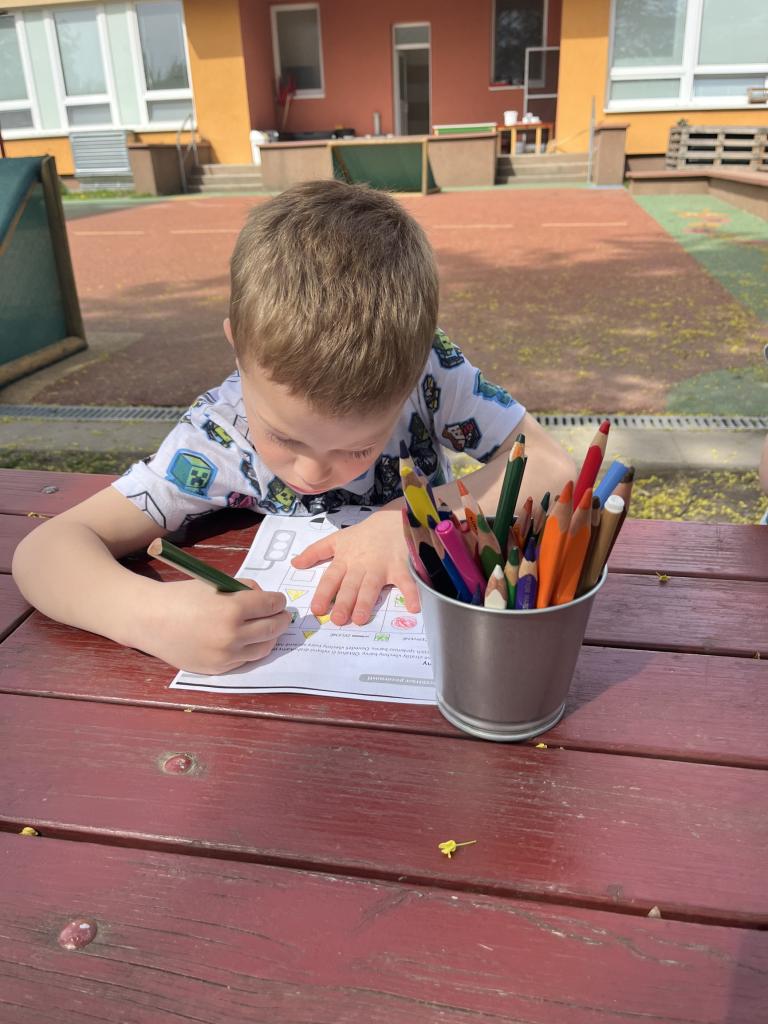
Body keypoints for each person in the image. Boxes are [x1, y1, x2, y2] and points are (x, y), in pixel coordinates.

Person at [13, 180, 574, 673]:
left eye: (359, 447)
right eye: (284, 437)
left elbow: (554, 467)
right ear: (239, 349)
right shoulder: (217, 435)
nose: (313, 470)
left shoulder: (430, 370)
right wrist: (151, 618)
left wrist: (412, 520)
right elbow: (44, 551)